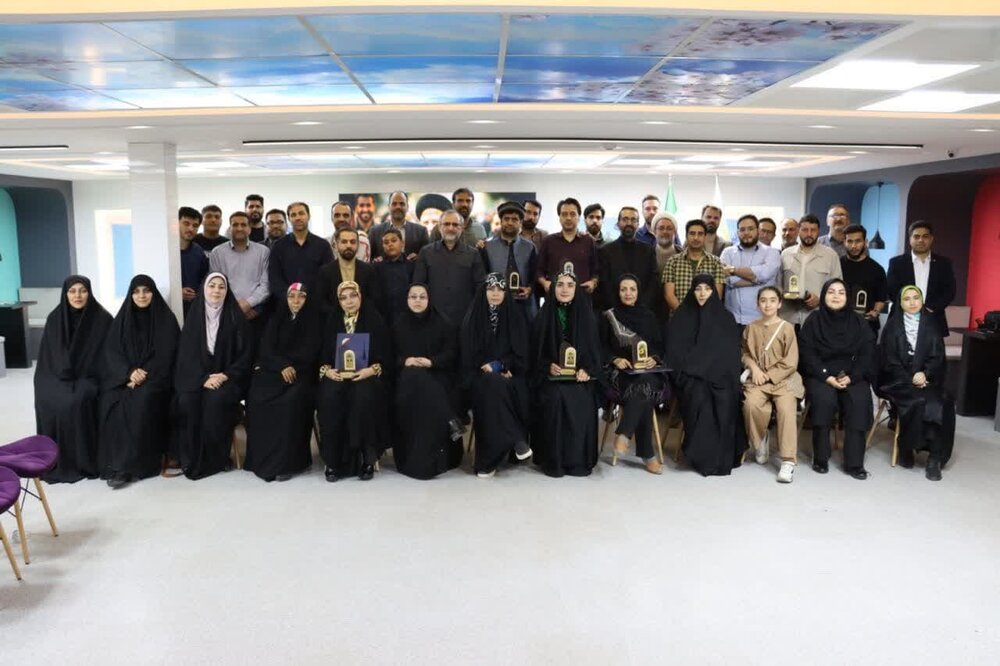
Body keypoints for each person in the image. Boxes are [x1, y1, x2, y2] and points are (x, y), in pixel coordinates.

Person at [99, 275, 180, 488]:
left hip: (157, 380)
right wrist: (128, 373)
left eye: (146, 290)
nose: (141, 295)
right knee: (111, 402)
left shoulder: (166, 319)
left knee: (140, 400)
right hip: (125, 379)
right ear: (130, 295)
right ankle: (115, 463)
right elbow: (112, 352)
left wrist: (143, 375)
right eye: (136, 291)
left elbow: (168, 355)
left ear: (154, 293)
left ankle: (131, 467)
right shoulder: (122, 320)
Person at [173, 273, 252, 480]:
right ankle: (190, 457)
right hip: (200, 378)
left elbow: (246, 356)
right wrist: (203, 379)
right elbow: (186, 357)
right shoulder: (194, 316)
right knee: (187, 400)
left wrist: (225, 375)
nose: (216, 291)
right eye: (212, 286)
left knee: (216, 400)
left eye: (221, 287)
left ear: (227, 291)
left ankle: (218, 457)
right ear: (204, 289)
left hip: (230, 379)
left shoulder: (235, 316)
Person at [35, 275, 113, 483]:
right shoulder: (55, 318)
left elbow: (107, 358)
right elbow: (48, 357)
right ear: (65, 294)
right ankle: (55, 459)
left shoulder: (102, 319)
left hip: (90, 377)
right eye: (72, 291)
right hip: (56, 375)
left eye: (83, 291)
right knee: (50, 399)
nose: (77, 295)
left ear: (89, 293)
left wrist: (84, 378)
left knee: (77, 401)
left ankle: (83, 462)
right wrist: (61, 375)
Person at [666, 274, 745, 476]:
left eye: (707, 289)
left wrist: (714, 373)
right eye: (698, 289)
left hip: (720, 376)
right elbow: (674, 353)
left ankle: (721, 456)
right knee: (699, 396)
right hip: (689, 377)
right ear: (692, 291)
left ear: (714, 292)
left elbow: (730, 355)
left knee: (725, 398)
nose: (702, 293)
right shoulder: (681, 316)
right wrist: (694, 371)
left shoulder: (726, 318)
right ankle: (699, 455)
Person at [798, 279, 876, 479]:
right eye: (831, 292)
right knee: (823, 400)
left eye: (841, 292)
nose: (836, 296)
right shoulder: (814, 320)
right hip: (821, 375)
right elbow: (807, 354)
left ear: (847, 297)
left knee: (859, 400)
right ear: (824, 295)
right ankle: (820, 458)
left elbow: (867, 353)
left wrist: (853, 377)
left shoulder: (858, 321)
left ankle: (854, 463)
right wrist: (826, 375)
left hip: (852, 374)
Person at [244, 283, 322, 482]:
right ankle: (260, 459)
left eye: (301, 296)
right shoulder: (276, 319)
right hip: (276, 370)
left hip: (302, 374)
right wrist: (282, 365)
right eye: (291, 296)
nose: (296, 301)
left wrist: (291, 366)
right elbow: (266, 348)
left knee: (290, 402)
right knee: (257, 396)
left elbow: (311, 352)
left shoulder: (314, 321)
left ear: (307, 299)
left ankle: (288, 463)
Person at [877, 286, 955, 481]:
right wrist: (910, 377)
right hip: (898, 380)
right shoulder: (892, 326)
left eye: (916, 298)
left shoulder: (932, 325)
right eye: (907, 299)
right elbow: (889, 361)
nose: (912, 302)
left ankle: (935, 457)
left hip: (927, 379)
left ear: (922, 301)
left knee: (941, 402)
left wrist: (925, 374)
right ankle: (907, 447)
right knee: (918, 401)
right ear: (900, 303)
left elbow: (937, 356)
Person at [530, 269, 603, 477]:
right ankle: (554, 460)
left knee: (582, 396)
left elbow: (594, 353)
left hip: (579, 378)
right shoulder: (542, 317)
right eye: (560, 285)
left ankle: (577, 460)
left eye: (570, 285)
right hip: (550, 379)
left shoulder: (587, 317)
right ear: (553, 288)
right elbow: (534, 354)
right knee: (555, 397)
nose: (564, 289)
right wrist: (547, 366)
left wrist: (587, 370)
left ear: (576, 289)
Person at [316, 281, 390, 482]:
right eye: (343, 298)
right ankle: (332, 461)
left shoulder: (374, 320)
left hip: (365, 376)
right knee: (330, 396)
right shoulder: (331, 321)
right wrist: (327, 371)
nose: (349, 301)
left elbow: (386, 356)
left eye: (353, 296)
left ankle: (367, 458)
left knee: (363, 396)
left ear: (360, 297)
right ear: (338, 301)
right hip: (338, 376)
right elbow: (322, 355)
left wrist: (370, 370)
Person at [461, 274, 532, 478]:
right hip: (477, 376)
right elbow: (468, 355)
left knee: (495, 386)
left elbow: (522, 354)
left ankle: (487, 463)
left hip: (510, 376)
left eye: (500, 289)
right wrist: (489, 368)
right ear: (484, 292)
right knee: (491, 384)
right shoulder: (473, 318)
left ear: (506, 293)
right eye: (491, 289)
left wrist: (502, 365)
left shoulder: (516, 317)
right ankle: (516, 438)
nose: (495, 293)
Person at [391, 284, 464, 480]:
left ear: (429, 299)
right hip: (406, 381)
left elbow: (452, 353)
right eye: (413, 296)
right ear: (407, 300)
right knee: (413, 374)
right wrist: (405, 361)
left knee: (423, 380)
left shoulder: (443, 323)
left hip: (437, 374)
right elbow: (389, 356)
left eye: (422, 297)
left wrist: (431, 362)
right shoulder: (398, 325)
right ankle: (450, 419)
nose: (417, 300)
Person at [600, 274, 666, 475]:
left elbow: (660, 346)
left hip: (649, 372)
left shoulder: (649, 316)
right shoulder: (609, 316)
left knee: (645, 383)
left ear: (638, 292)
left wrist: (654, 358)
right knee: (644, 391)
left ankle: (624, 432)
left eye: (632, 289)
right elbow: (600, 346)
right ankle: (648, 455)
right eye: (623, 289)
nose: (628, 293)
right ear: (617, 292)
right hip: (622, 374)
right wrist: (614, 359)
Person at [741, 286, 804, 484]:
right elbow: (745, 353)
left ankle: (788, 460)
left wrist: (768, 375)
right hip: (758, 379)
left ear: (779, 304)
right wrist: (754, 368)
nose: (767, 304)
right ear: (758, 304)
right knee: (750, 405)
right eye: (763, 300)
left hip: (784, 379)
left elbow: (791, 362)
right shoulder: (751, 328)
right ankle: (760, 439)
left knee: (786, 410)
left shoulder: (787, 328)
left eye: (772, 300)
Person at [413, 209, 486, 326]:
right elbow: (418, 286)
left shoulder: (473, 254)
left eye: (455, 225)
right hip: (433, 320)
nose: (451, 228)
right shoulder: (426, 253)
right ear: (439, 227)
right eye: (446, 224)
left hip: (464, 320)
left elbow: (480, 287)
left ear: (462, 228)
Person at [886, 221, 956, 340]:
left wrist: (930, 308)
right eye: (916, 236)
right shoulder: (896, 263)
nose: (920, 240)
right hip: (903, 319)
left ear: (931, 239)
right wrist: (911, 307)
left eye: (925, 236)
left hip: (933, 319)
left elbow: (950, 291)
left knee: (934, 352)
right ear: (910, 239)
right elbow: (892, 290)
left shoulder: (944, 263)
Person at [209, 211, 270, 343]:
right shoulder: (217, 253)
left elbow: (266, 285)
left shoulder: (263, 252)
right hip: (226, 314)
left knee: (255, 350)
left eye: (243, 224)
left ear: (249, 228)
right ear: (229, 228)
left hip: (256, 313)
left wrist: (249, 304)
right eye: (235, 225)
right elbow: (215, 286)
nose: (239, 228)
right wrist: (234, 308)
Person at [779, 214, 842, 329]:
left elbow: (837, 288)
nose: (809, 234)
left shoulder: (830, 255)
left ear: (818, 231)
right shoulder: (786, 254)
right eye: (805, 230)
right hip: (788, 319)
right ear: (798, 231)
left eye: (813, 230)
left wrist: (820, 299)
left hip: (817, 320)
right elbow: (778, 285)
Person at [720, 214, 781, 327]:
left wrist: (733, 270)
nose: (746, 233)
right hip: (732, 319)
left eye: (750, 229)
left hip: (762, 319)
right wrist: (759, 280)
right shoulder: (727, 252)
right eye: (742, 229)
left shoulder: (772, 252)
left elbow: (765, 274)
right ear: (737, 232)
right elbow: (727, 279)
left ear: (758, 231)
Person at [481, 201, 539, 320]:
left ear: (521, 222)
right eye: (506, 219)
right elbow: (482, 276)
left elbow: (535, 275)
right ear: (501, 221)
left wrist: (529, 289)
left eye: (514, 219)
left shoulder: (530, 247)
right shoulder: (487, 247)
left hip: (524, 309)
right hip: (496, 308)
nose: (510, 222)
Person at [267, 201, 334, 300]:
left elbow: (328, 276)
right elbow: (274, 278)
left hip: (316, 303)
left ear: (309, 216)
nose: (298, 218)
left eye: (301, 213)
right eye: (293, 215)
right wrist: (291, 298)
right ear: (289, 219)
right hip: (286, 303)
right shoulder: (278, 246)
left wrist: (312, 298)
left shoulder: (323, 245)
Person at [597, 206, 659, 312]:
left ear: (638, 225)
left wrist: (642, 306)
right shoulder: (605, 251)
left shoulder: (648, 250)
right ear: (618, 224)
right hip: (615, 312)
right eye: (625, 219)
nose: (629, 223)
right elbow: (604, 284)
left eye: (633, 220)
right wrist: (618, 308)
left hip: (643, 311)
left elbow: (653, 282)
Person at [314, 227, 383, 318]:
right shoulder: (325, 272)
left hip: (363, 322)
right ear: (336, 245)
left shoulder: (369, 270)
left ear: (358, 245)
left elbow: (375, 300)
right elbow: (321, 302)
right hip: (334, 322)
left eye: (353, 242)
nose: (348, 245)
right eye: (344, 242)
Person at [537, 197, 599, 296]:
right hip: (554, 298)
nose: (568, 218)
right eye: (564, 214)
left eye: (572, 214)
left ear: (579, 217)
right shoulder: (548, 241)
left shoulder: (589, 241)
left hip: (582, 297)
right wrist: (544, 283)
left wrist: (593, 282)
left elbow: (596, 270)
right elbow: (539, 270)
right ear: (559, 218)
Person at [663, 220, 725, 313]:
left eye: (700, 234)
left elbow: (717, 295)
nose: (696, 238)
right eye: (692, 233)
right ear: (686, 236)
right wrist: (685, 315)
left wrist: (702, 316)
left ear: (705, 237)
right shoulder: (673, 262)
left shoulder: (716, 262)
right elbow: (669, 295)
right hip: (679, 317)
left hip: (707, 317)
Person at [840, 224, 888, 334]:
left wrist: (875, 311)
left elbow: (881, 298)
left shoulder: (877, 269)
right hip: (840, 325)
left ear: (865, 242)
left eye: (858, 241)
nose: (854, 246)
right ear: (844, 242)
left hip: (867, 327)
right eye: (850, 241)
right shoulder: (837, 265)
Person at [369, 191, 429, 260]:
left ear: (407, 207)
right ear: (389, 207)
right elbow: (368, 259)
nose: (398, 207)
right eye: (394, 204)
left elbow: (427, 258)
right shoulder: (375, 232)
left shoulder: (421, 232)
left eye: (402, 204)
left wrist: (419, 258)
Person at [374, 227, 415, 327]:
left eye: (394, 240)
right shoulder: (376, 267)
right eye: (386, 242)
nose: (390, 244)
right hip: (383, 320)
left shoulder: (412, 266)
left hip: (407, 320)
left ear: (402, 243)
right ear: (383, 246)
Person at [179, 206, 209, 317]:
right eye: (186, 223)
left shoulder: (198, 252)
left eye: (195, 225)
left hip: (194, 311)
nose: (191, 229)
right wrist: (177, 293)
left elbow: (204, 280)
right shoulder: (165, 251)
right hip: (168, 307)